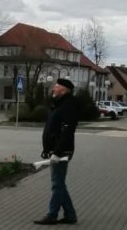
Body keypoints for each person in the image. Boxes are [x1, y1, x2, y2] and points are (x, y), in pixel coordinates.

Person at [34, 78, 79, 225]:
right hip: (56, 150)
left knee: (57, 184)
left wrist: (57, 153)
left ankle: (52, 215)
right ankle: (70, 215)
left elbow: (67, 132)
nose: (53, 89)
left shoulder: (68, 107)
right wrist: (47, 150)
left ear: (64, 90)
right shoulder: (59, 105)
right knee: (59, 184)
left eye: (56, 87)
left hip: (62, 151)